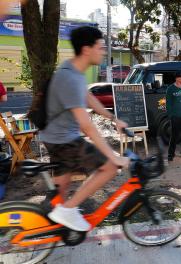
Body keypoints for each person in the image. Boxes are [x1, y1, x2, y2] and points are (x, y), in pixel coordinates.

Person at [41, 26, 129, 231]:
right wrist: (113, 156)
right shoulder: (71, 78)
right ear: (86, 49)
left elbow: (88, 98)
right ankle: (68, 210)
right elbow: (87, 126)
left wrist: (112, 117)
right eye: (100, 47)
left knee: (59, 195)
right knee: (108, 167)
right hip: (64, 139)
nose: (103, 51)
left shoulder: (74, 71)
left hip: (55, 137)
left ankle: (53, 227)